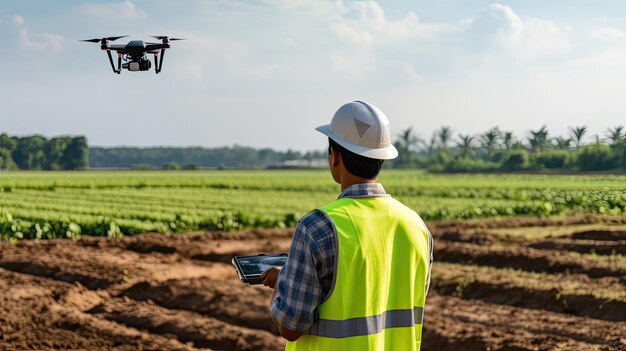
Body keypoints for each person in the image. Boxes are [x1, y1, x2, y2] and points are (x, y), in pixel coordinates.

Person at [260, 100, 433, 351]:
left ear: (335, 157)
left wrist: (283, 284)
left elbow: (291, 326)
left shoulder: (317, 227)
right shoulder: (417, 227)